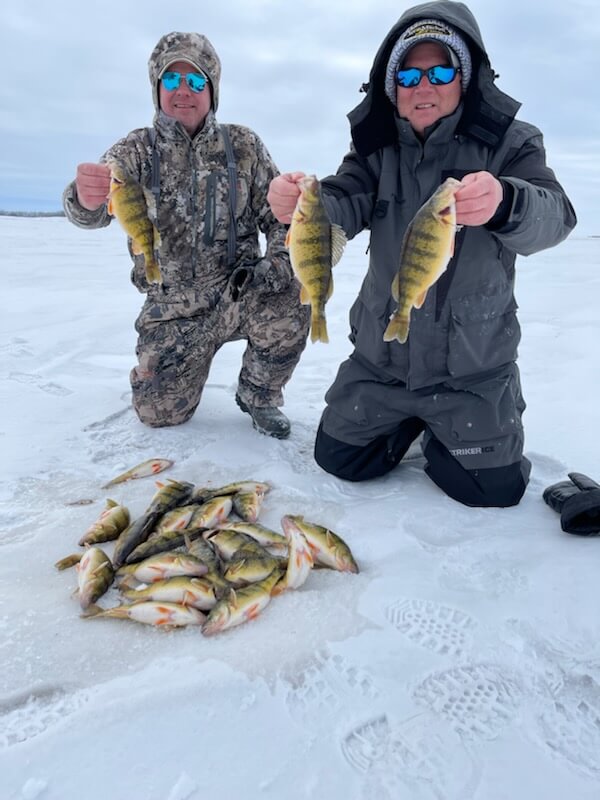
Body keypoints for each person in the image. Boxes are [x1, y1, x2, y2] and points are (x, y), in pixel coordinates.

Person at [268, 1, 576, 505]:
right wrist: (305, 202)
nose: (423, 86)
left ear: (467, 77)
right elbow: (345, 198)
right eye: (409, 75)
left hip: (472, 368)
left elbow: (557, 216)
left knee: (491, 491)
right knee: (339, 460)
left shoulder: (511, 144)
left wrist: (506, 200)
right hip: (383, 362)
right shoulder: (376, 145)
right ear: (393, 87)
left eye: (440, 71)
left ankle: (443, 431)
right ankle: (406, 419)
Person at [63, 32, 310, 439]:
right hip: (172, 308)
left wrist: (275, 267)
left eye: (196, 81)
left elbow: (283, 220)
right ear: (156, 89)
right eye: (171, 80)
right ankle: (163, 368)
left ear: (212, 91)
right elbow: (90, 211)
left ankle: (259, 394)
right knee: (158, 412)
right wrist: (83, 198)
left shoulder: (244, 146)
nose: (184, 91)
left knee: (293, 293)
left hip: (239, 291)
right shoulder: (136, 151)